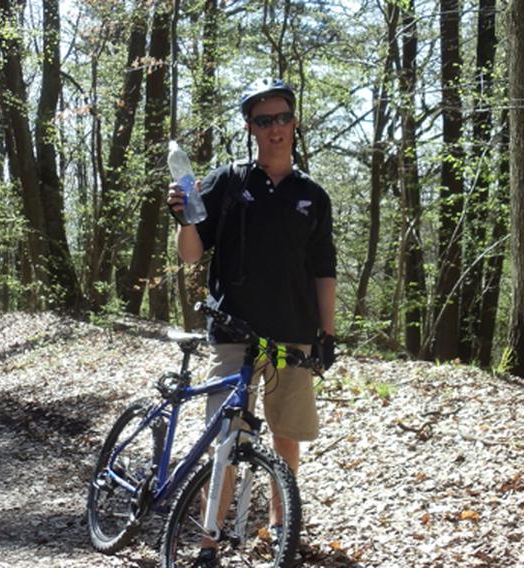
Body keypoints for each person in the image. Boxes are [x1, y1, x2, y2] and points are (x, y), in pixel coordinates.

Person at [166, 78, 337, 566]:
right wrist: (183, 220)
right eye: (264, 121)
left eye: (282, 117)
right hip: (234, 334)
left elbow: (323, 269)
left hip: (292, 334)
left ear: (294, 122)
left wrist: (327, 333)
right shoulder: (228, 182)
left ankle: (283, 529)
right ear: (251, 128)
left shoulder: (313, 195)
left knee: (286, 436)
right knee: (227, 439)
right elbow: (191, 256)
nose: (275, 128)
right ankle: (209, 540)